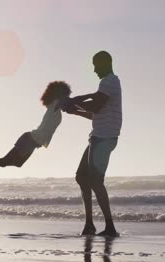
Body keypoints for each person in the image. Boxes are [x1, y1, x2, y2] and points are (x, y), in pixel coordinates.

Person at [0, 81, 71, 186]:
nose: (67, 98)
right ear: (59, 95)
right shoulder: (54, 106)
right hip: (29, 139)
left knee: (17, 164)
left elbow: (71, 103)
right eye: (65, 95)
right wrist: (88, 96)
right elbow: (73, 101)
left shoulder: (56, 108)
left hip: (33, 142)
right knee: (3, 161)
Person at [63, 51, 122, 237]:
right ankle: (89, 224)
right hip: (99, 136)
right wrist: (76, 110)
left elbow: (95, 106)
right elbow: (95, 113)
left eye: (96, 65)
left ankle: (110, 227)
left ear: (105, 63)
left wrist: (75, 103)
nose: (94, 69)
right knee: (81, 176)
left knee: (96, 181)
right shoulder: (108, 84)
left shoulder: (108, 81)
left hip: (104, 138)